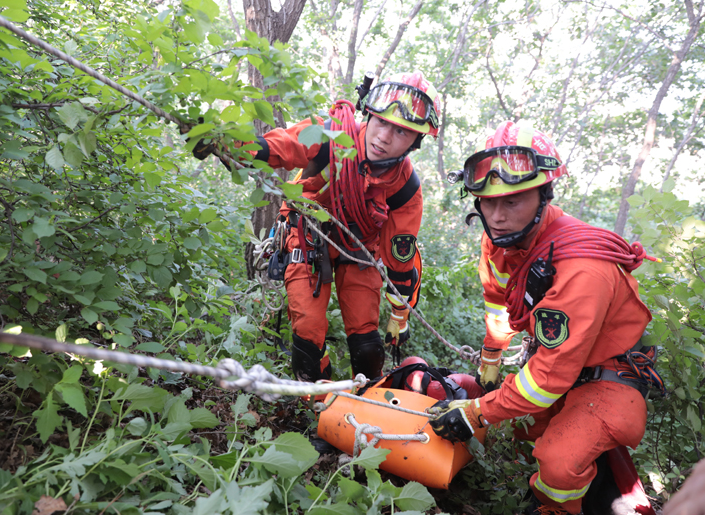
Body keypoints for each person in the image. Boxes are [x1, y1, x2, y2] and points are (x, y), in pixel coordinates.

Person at [428, 121, 662, 514]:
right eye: (488, 201)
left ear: (543, 195)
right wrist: (490, 362)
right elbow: (497, 302)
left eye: (513, 201)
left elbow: (551, 376)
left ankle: (556, 506)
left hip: (607, 378)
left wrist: (476, 411)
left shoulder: (582, 268)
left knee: (557, 461)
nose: (497, 215)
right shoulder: (502, 242)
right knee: (523, 437)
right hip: (555, 364)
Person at [196, 71, 439, 382]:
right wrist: (227, 142)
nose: (384, 137)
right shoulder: (330, 135)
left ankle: (365, 400)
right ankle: (317, 400)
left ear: (415, 142)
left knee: (367, 346)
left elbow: (400, 259)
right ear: (369, 115)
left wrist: (400, 313)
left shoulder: (404, 187)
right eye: (382, 123)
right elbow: (278, 148)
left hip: (361, 249)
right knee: (307, 336)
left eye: (402, 132)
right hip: (307, 237)